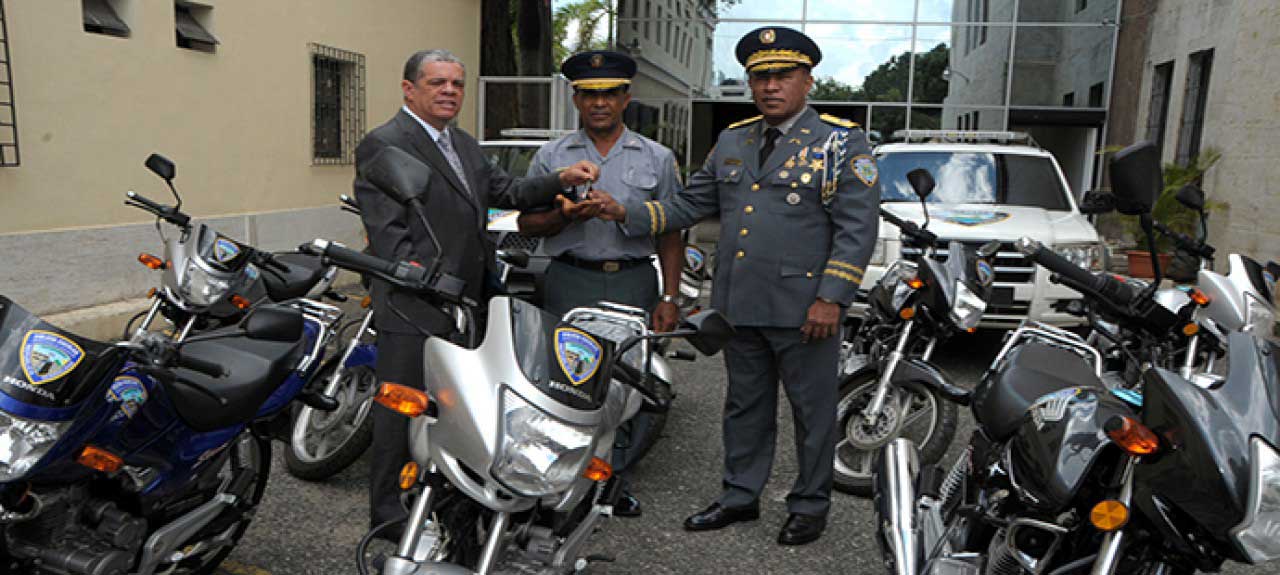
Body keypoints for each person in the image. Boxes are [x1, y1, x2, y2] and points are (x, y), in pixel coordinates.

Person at [591, 27, 881, 545]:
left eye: (782, 76)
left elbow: (857, 229)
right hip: (740, 304)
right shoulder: (734, 139)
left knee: (812, 412)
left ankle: (809, 505)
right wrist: (624, 211)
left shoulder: (841, 141)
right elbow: (688, 204)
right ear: (749, 83)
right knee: (744, 407)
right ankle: (739, 495)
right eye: (760, 77)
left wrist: (831, 299)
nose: (771, 86)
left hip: (805, 307)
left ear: (807, 80)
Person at [354, 48, 598, 537]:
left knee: (453, 408)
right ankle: (388, 517)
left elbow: (505, 191)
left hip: (466, 300)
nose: (449, 91)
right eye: (437, 82)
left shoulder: (461, 143)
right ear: (409, 89)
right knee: (401, 411)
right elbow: (389, 234)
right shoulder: (385, 143)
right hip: (413, 303)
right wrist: (419, 274)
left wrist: (559, 178)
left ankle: (441, 504)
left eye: (456, 84)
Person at [517, 50, 685, 517]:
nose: (599, 103)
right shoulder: (552, 156)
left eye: (609, 93)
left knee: (628, 387)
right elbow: (527, 224)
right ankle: (553, 483)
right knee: (561, 384)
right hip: (570, 279)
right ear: (575, 98)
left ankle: (613, 482)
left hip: (633, 282)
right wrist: (562, 216)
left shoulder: (657, 157)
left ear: (626, 98)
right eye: (589, 94)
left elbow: (672, 230)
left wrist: (670, 296)